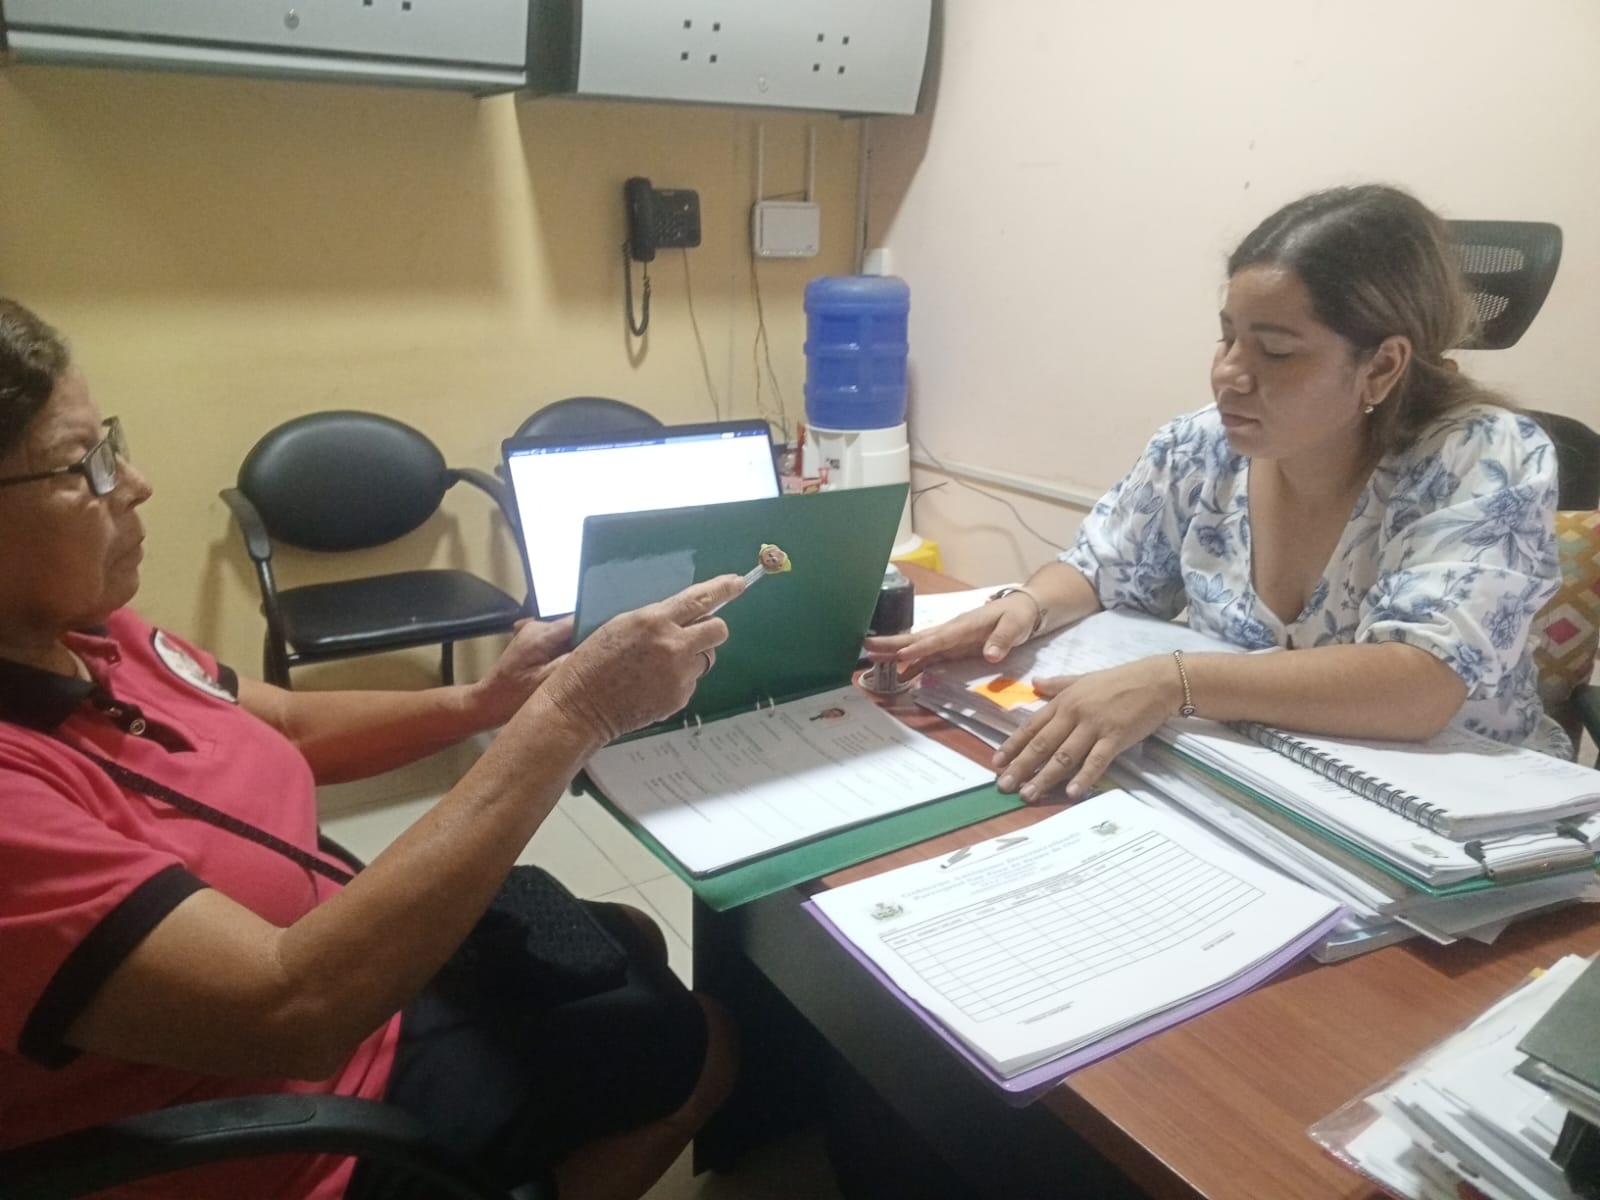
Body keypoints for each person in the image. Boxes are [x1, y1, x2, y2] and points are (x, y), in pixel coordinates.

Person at [0, 296, 743, 1200]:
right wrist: (572, 714)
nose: (135, 482)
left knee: (628, 937)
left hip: (343, 962)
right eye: (83, 465)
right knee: (703, 1042)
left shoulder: (82, 629)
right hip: (298, 1122)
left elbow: (279, 723)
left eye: (110, 441)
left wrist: (484, 701)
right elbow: (291, 1010)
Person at [869, 184, 1565, 804]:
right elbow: (1102, 568)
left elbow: (1419, 686)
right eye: (1227, 337)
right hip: (1256, 788)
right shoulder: (1201, 445)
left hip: (1459, 820)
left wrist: (1171, 682)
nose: (1230, 373)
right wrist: (1023, 608)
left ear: (1381, 366)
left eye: (1277, 351)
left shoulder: (1481, 456)